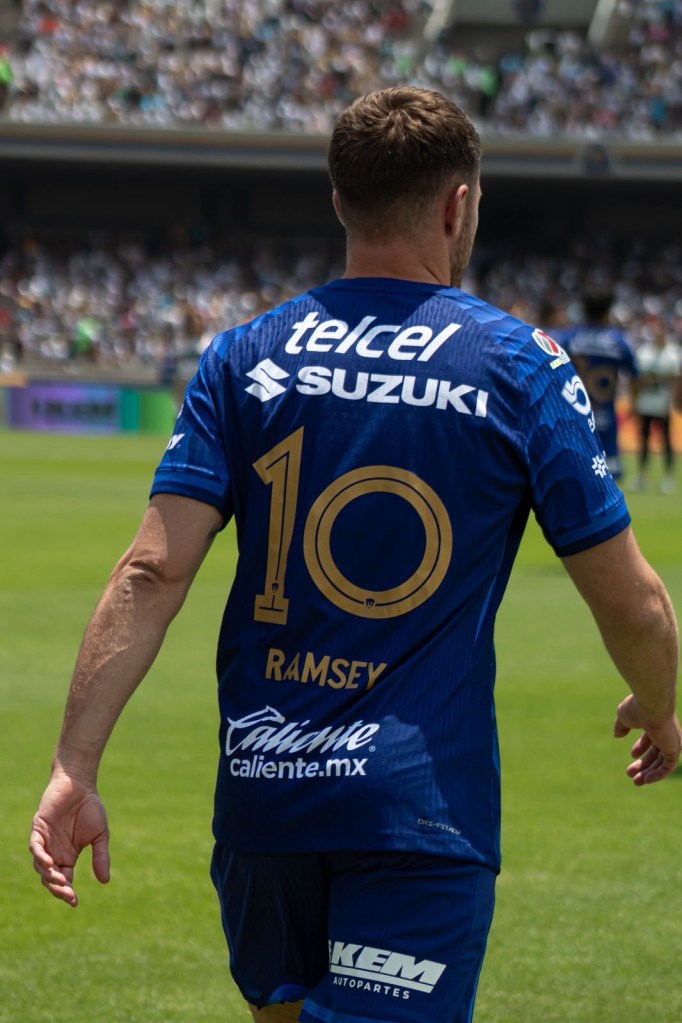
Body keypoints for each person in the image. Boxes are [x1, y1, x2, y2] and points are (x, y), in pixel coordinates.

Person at [30, 87, 680, 1023]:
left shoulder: (241, 355)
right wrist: (658, 705)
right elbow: (636, 604)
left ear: (339, 200)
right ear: (458, 205)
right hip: (416, 809)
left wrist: (74, 763)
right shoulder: (519, 364)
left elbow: (151, 570)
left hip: (264, 798)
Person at [557, 285, 638, 481]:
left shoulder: (568, 338)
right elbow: (635, 376)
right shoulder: (618, 341)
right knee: (608, 482)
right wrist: (634, 403)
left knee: (573, 475)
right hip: (606, 420)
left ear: (583, 308)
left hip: (573, 418)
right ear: (608, 310)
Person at [632, 320, 682, 493]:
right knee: (644, 440)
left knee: (666, 441)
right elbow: (636, 380)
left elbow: (677, 381)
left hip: (663, 404)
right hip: (646, 403)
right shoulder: (644, 353)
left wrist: (675, 402)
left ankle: (668, 477)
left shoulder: (673, 354)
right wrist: (634, 400)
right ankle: (642, 475)